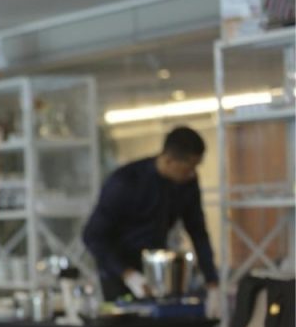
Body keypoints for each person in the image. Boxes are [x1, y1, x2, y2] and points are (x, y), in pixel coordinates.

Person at [83, 126, 219, 314]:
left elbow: (198, 231)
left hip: (157, 269)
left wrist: (212, 283)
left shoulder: (186, 184)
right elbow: (92, 236)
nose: (192, 174)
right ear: (169, 160)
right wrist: (128, 274)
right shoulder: (126, 181)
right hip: (119, 270)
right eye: (188, 168)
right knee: (127, 324)